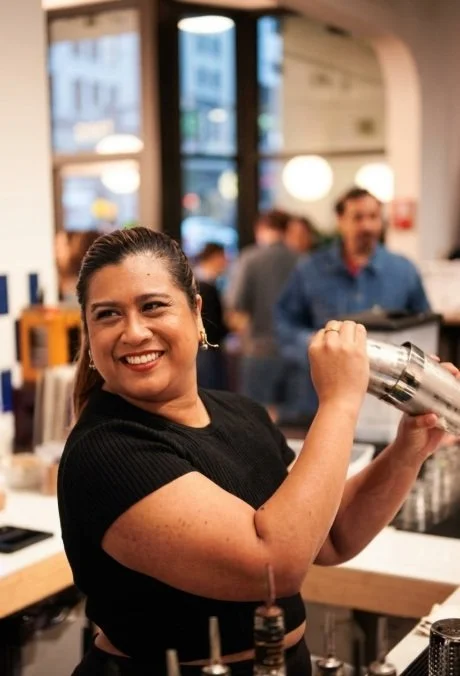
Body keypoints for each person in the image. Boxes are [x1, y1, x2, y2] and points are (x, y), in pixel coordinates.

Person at [58, 226, 457, 676]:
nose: (133, 332)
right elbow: (274, 566)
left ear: (196, 312)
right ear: (89, 332)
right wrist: (340, 402)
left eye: (152, 306)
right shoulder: (107, 450)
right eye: (108, 315)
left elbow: (329, 534)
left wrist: (409, 448)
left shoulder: (240, 413)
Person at [274, 187, 431, 419]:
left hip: (385, 401)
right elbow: (284, 322)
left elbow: (424, 327)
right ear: (340, 221)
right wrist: (311, 342)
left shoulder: (403, 271)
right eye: (357, 217)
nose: (367, 226)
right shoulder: (309, 270)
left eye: (373, 217)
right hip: (320, 397)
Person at [225, 209, 298, 421]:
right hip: (296, 350)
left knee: (256, 419)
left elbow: (236, 306)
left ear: (261, 229)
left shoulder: (250, 259)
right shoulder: (302, 261)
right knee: (293, 422)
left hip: (259, 349)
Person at [193, 242, 230, 390]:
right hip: (207, 349)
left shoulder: (199, 282)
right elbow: (213, 324)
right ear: (214, 257)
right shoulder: (204, 286)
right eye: (223, 257)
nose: (226, 262)